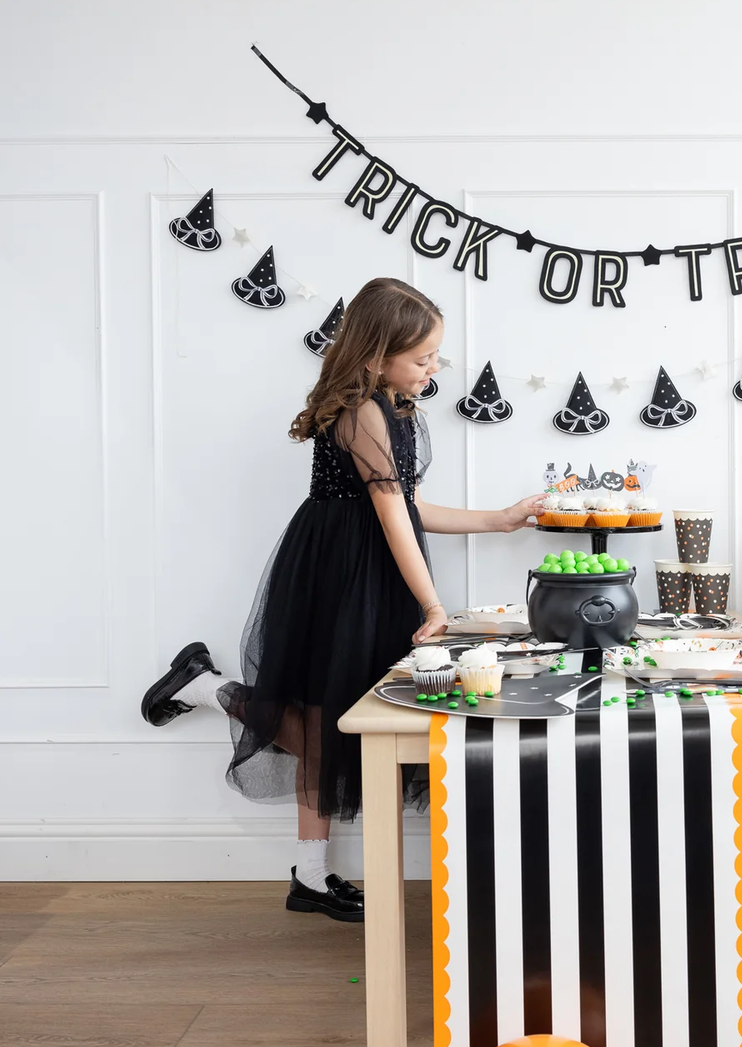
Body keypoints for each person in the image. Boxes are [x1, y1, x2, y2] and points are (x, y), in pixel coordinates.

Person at [140, 277, 543, 922]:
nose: (435, 368)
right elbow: (392, 517)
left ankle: (307, 872)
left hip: (370, 568)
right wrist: (435, 607)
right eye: (422, 358)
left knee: (336, 720)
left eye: (436, 354)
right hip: (343, 572)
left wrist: (499, 519)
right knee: (336, 719)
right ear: (375, 355)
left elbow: (406, 506)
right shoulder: (363, 413)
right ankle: (206, 690)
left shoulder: (391, 405)